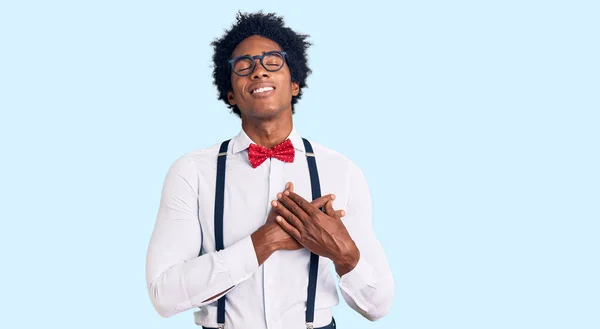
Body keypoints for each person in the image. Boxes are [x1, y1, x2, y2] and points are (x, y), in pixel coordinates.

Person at [145, 11, 394, 329]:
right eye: (243, 66)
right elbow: (163, 294)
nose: (259, 72)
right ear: (231, 94)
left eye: (272, 61)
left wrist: (343, 253)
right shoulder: (192, 172)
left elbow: (379, 305)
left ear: (294, 84)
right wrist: (264, 241)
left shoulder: (341, 171)